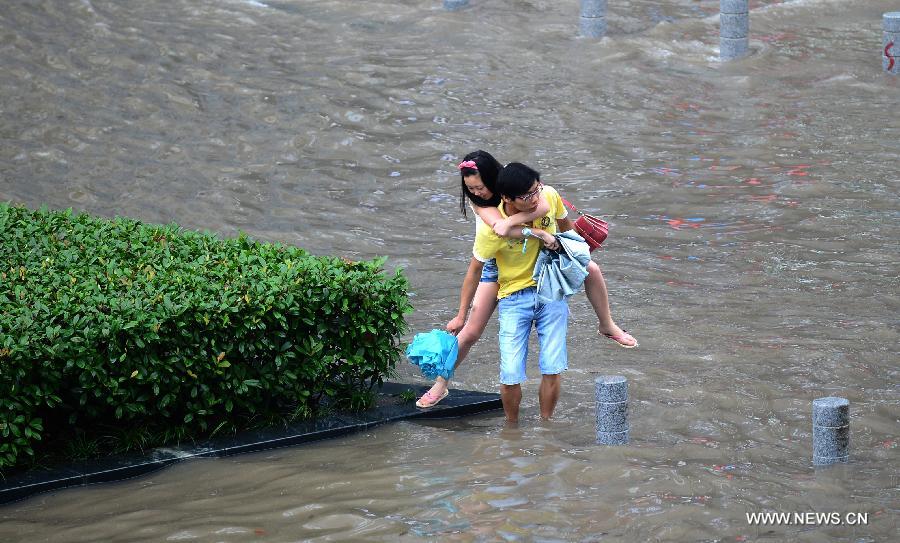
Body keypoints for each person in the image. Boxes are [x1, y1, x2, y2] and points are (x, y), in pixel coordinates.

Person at [415, 151, 636, 408]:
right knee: (471, 329)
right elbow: (502, 229)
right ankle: (441, 385)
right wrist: (540, 232)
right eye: (471, 189)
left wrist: (573, 247)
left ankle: (607, 324)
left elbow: (545, 206)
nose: (477, 192)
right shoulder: (483, 206)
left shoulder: (521, 186)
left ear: (496, 180)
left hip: (530, 259)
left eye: (480, 187)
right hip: (496, 263)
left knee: (592, 269)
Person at [475, 162, 571, 422]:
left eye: (536, 190)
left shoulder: (547, 196)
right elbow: (476, 268)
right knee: (509, 374)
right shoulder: (491, 225)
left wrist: (576, 254)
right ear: (506, 197)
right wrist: (463, 314)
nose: (535, 197)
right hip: (512, 297)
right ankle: (511, 429)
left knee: (552, 368)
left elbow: (567, 227)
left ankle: (546, 425)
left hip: (551, 292)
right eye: (527, 195)